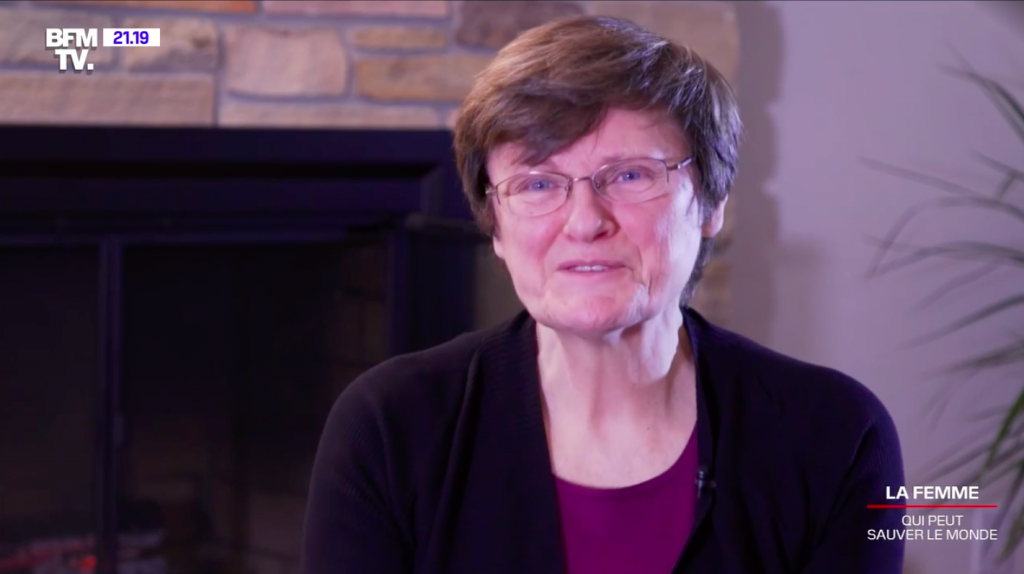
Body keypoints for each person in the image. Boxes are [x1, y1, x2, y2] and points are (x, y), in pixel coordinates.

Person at [300, 15, 905, 574]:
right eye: (538, 184)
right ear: (496, 227)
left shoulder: (837, 437)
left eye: (630, 175)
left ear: (710, 204)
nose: (585, 221)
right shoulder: (389, 428)